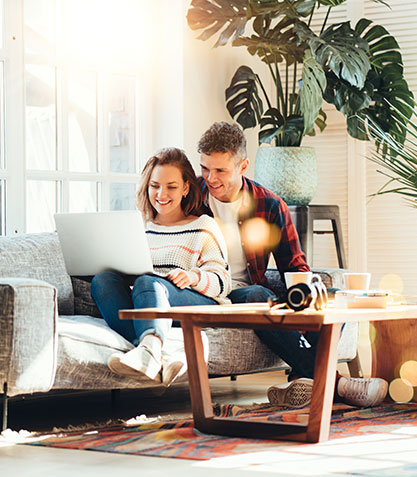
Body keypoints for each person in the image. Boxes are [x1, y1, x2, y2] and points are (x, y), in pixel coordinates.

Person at [196, 121, 388, 408]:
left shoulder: (269, 205)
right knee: (259, 296)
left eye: (220, 170)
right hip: (209, 293)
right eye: (204, 168)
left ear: (243, 165)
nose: (210, 178)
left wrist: (310, 291)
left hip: (247, 290)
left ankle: (304, 380)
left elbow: (295, 267)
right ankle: (335, 383)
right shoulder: (189, 198)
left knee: (333, 296)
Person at [91, 147, 231, 387]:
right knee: (102, 280)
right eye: (155, 185)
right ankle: (156, 356)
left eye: (171, 187)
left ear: (186, 188)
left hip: (193, 300)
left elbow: (223, 283)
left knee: (149, 281)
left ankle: (149, 350)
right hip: (148, 301)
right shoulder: (140, 226)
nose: (161, 193)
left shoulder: (204, 226)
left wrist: (193, 276)